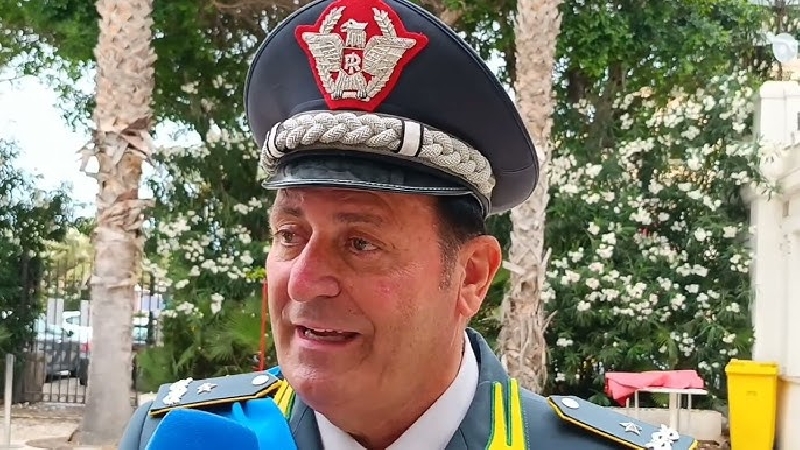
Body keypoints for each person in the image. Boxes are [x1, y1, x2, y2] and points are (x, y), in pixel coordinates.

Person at [119, 0, 699, 448]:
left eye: (360, 242)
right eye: (290, 236)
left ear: (472, 277)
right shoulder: (174, 437)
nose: (304, 281)